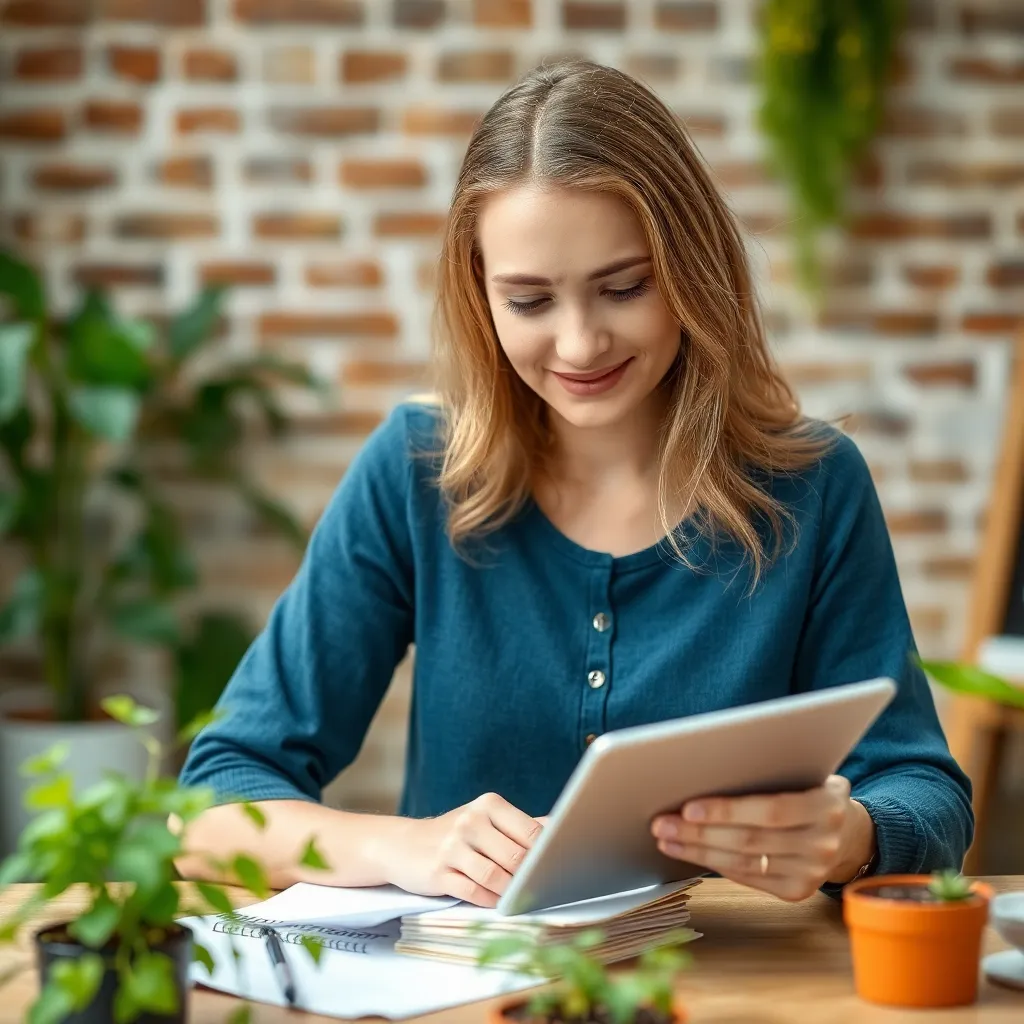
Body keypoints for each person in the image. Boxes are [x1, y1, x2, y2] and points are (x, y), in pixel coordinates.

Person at [175, 59, 973, 907]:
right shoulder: (418, 471)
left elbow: (927, 797)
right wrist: (407, 847)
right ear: (480, 297)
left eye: (623, 288)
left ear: (691, 270)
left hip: (724, 987)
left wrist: (850, 836)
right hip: (461, 994)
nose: (582, 343)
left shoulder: (811, 488)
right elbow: (213, 804)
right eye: (529, 301)